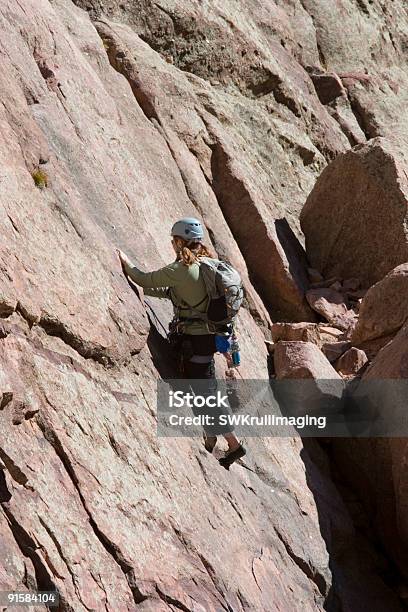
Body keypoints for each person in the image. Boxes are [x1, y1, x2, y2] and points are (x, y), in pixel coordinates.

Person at [117, 217, 246, 468]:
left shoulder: (181, 269)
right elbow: (173, 292)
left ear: (178, 241)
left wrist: (126, 263)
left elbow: (144, 278)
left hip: (197, 341)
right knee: (205, 391)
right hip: (206, 339)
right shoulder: (204, 265)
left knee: (203, 395)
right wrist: (147, 291)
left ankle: (234, 444)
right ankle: (212, 436)